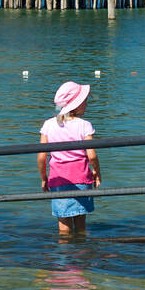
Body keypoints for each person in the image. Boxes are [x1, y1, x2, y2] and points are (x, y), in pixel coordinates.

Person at [39, 81, 102, 237]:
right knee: (81, 223)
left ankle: (64, 258)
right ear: (76, 105)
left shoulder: (48, 125)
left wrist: (43, 177)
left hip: (58, 178)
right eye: (84, 101)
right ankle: (83, 255)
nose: (86, 104)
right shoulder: (84, 125)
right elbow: (91, 154)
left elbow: (41, 156)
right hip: (81, 178)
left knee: (64, 227)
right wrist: (97, 172)